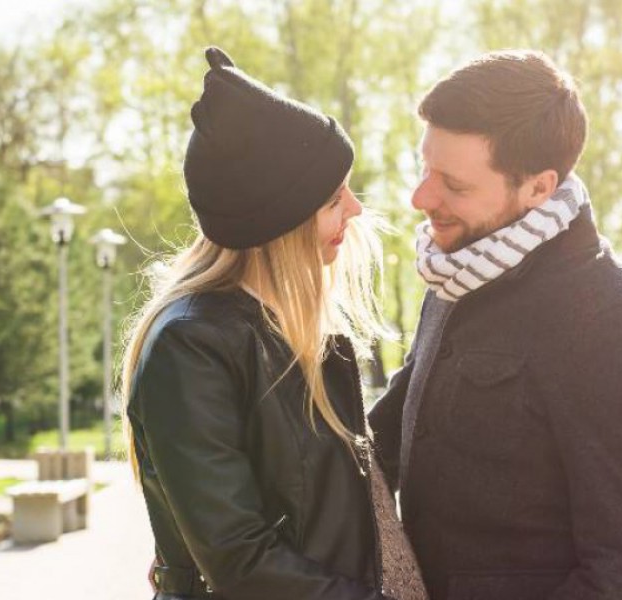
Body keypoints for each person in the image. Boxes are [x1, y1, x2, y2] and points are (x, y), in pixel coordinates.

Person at [369, 50, 622, 600]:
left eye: (454, 183)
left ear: (540, 187)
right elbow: (384, 441)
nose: (422, 197)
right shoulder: (459, 276)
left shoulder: (615, 321)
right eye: (425, 169)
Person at [121, 47, 426, 600]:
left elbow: (350, 474)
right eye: (335, 199)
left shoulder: (298, 331)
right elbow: (241, 560)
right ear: (278, 222)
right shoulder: (188, 347)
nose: (355, 210)